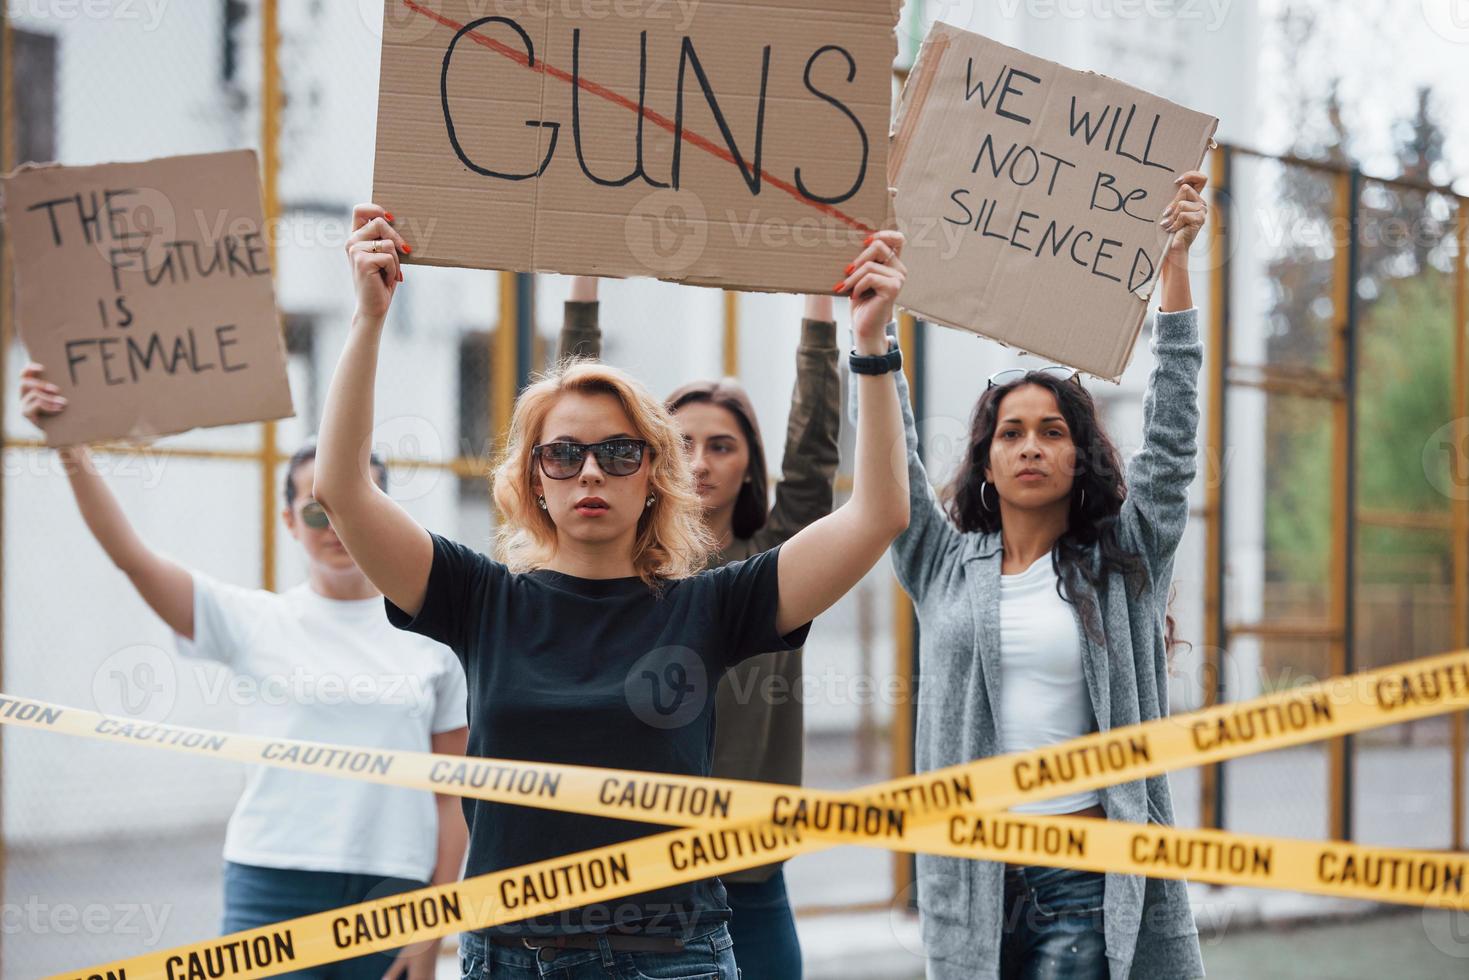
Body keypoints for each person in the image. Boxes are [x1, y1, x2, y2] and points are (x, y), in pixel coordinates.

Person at [312, 204, 909, 980]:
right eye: (562, 454)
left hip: (673, 960)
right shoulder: (479, 599)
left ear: (655, 478)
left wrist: (867, 346)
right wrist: (366, 316)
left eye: (619, 452)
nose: (589, 471)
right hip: (510, 959)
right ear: (533, 479)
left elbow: (878, 513)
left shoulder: (711, 605)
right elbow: (342, 490)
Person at [857, 172, 1211, 979]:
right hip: (972, 881)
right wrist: (874, 340)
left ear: (1077, 453)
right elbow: (892, 468)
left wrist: (1176, 271)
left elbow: (1171, 447)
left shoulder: (1124, 558)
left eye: (1051, 431)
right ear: (985, 456)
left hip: (1084, 875)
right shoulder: (941, 563)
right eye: (1010, 431)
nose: (1029, 445)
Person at [17, 381, 470, 980]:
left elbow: (452, 796)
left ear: (384, 513)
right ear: (288, 520)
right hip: (270, 882)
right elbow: (132, 557)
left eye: (351, 504)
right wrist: (69, 448)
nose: (333, 525)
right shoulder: (254, 620)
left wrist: (430, 927)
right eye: (315, 509)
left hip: (394, 894)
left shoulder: (435, 637)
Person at [556, 277, 844, 979]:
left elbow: (813, 453)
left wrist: (818, 305)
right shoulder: (620, 564)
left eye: (721, 445)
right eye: (680, 442)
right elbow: (575, 420)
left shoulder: (775, 566)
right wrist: (582, 289)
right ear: (651, 459)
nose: (700, 461)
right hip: (634, 868)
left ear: (748, 466)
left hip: (747, 864)